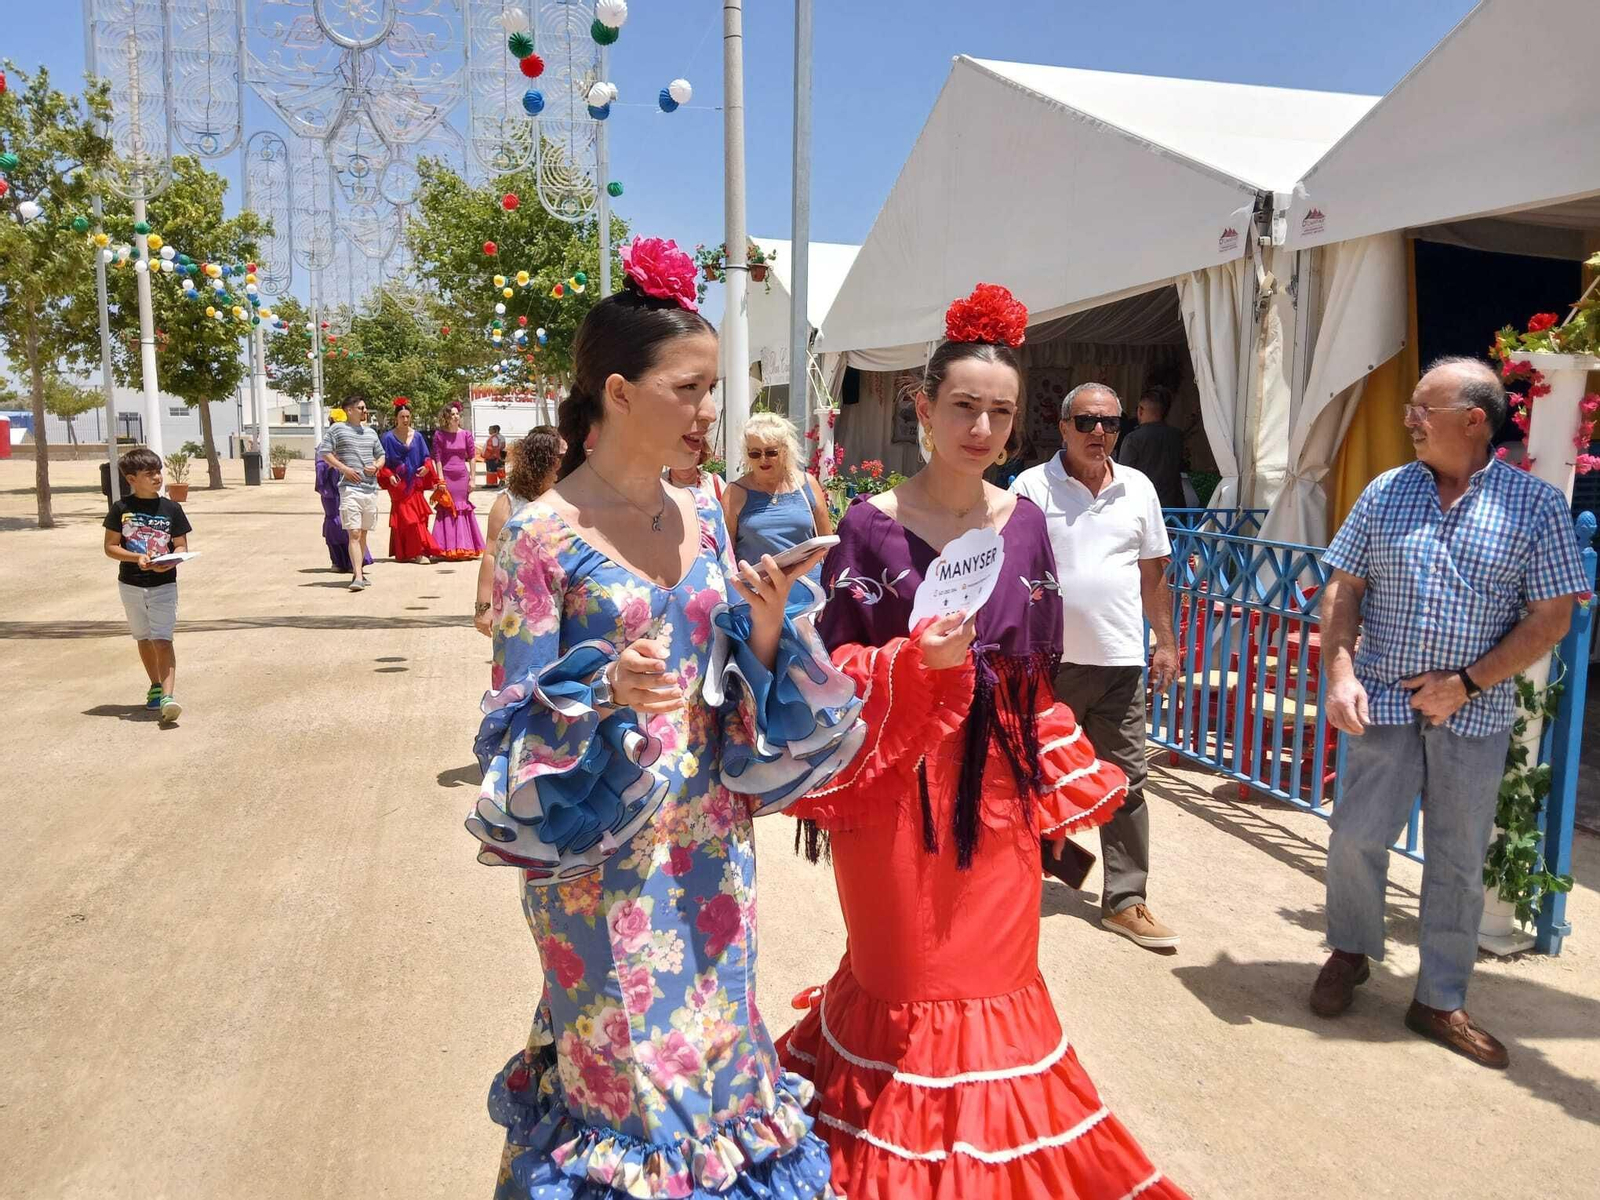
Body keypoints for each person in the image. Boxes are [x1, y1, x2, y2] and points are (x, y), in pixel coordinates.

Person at [466, 235, 865, 1200]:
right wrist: (603, 692)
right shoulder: (538, 537)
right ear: (617, 391)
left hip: (711, 849)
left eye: (712, 390)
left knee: (722, 1065)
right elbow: (512, 732)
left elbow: (730, 684)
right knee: (632, 1086)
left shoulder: (705, 514)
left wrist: (766, 629)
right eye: (688, 389)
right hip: (598, 862)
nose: (708, 412)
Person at [778, 284, 1187, 1200]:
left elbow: (1036, 672)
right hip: (892, 788)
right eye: (963, 406)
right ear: (923, 408)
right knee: (899, 972)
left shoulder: (1027, 522)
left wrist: (1041, 793)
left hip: (992, 795)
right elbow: (834, 665)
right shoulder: (864, 526)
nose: (981, 427)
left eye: (999, 412)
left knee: (993, 974)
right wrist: (911, 666)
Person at [1311, 357, 1588, 1068]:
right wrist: (1340, 670)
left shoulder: (1535, 507)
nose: (1408, 420)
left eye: (1420, 410)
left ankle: (1438, 997)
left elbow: (1552, 618)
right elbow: (1345, 587)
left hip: (1474, 710)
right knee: (1355, 838)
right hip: (1384, 699)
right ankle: (1351, 951)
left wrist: (1466, 682)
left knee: (1459, 862)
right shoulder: (1386, 492)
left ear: (1472, 420)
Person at [1012, 382, 1182, 950]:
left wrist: (1165, 642)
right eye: (1085, 422)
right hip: (1048, 663)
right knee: (1026, 776)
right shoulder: (1031, 486)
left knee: (1126, 782)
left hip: (1119, 661)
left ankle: (1126, 901)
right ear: (1062, 427)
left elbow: (1152, 571)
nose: (1099, 433)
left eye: (1111, 424)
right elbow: (1011, 572)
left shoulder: (1138, 488)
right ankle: (1010, 885)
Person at [103, 446, 192, 725]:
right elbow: (110, 547)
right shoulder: (121, 509)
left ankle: (168, 697)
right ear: (131, 479)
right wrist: (136, 557)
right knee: (143, 638)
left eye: (158, 472)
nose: (157, 477)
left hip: (164, 584)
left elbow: (180, 544)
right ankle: (155, 685)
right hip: (130, 584)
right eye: (149, 473)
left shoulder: (171, 508)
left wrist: (171, 561)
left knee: (162, 639)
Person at [723, 412, 833, 601]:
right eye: (755, 453)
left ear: (785, 449)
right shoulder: (735, 493)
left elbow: (828, 543)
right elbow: (726, 555)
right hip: (759, 597)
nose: (763, 459)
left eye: (771, 452)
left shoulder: (808, 484)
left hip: (809, 595)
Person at [474, 424, 561, 637]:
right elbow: (491, 554)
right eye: (558, 457)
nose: (563, 463)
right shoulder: (509, 502)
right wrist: (483, 608)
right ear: (542, 461)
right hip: (519, 602)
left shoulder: (572, 498)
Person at [321, 395, 385, 592]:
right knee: (354, 532)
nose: (365, 411)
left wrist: (376, 466)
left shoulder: (371, 433)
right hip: (349, 489)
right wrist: (344, 469)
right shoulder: (337, 429)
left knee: (363, 533)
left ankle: (360, 571)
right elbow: (325, 452)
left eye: (365, 408)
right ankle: (357, 575)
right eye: (361, 408)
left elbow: (381, 455)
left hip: (370, 489)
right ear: (349, 410)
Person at [377, 397, 442, 563]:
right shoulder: (387, 438)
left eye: (407, 416)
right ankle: (410, 552)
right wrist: (388, 475)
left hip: (415, 483)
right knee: (406, 519)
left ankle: (417, 551)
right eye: (402, 417)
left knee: (417, 519)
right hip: (398, 485)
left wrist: (427, 467)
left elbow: (427, 458)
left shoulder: (418, 437)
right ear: (396, 419)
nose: (405, 420)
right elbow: (381, 460)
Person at [312, 407, 372, 574]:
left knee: (353, 526)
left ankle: (357, 562)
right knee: (334, 523)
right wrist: (330, 465)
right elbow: (320, 467)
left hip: (350, 488)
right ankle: (337, 560)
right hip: (331, 492)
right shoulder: (324, 445)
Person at [1115, 384, 1187, 510]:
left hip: (1142, 505)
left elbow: (1123, 474)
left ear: (1140, 410)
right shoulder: (1177, 436)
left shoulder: (1133, 438)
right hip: (1174, 506)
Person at [431, 402, 485, 560]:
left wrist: (473, 479)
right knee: (447, 507)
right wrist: (440, 478)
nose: (455, 416)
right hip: (447, 476)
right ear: (446, 417)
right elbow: (438, 458)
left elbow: (472, 457)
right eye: (452, 414)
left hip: (462, 476)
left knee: (461, 508)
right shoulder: (439, 435)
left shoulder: (466, 434)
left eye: (457, 414)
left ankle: (464, 546)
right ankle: (445, 547)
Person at [665, 421, 726, 503]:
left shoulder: (715, 484)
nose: (685, 455)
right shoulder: (656, 486)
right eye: (678, 448)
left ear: (701, 449)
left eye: (692, 444)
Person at [483, 423, 508, 488]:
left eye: (490, 429)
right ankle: (495, 482)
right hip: (496, 455)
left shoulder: (497, 437)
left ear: (495, 430)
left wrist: (496, 455)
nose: (488, 430)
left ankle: (499, 482)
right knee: (496, 468)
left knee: (498, 468)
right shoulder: (493, 437)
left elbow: (500, 446)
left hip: (497, 454)